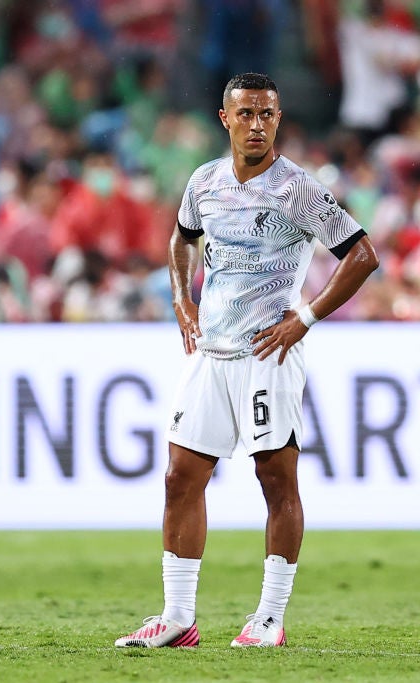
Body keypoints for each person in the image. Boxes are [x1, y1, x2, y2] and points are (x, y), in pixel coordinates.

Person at [115, 73, 379, 648]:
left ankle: (269, 619)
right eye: (247, 114)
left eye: (267, 115)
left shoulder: (297, 191)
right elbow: (183, 239)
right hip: (211, 351)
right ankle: (179, 618)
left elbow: (361, 255)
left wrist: (304, 318)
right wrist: (182, 299)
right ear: (225, 119)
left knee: (274, 478)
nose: (257, 125)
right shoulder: (204, 182)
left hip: (269, 351)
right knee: (180, 477)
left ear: (278, 121)